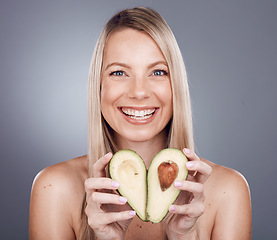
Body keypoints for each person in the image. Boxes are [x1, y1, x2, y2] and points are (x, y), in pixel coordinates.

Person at [29, 7, 252, 240]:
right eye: (118, 73)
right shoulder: (54, 189)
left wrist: (183, 236)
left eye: (157, 72)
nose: (139, 92)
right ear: (99, 87)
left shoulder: (228, 191)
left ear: (176, 85)